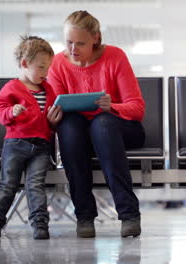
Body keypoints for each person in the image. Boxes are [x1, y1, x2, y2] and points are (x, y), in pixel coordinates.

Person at [47, 10, 145, 238]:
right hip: (81, 136)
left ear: (96, 38)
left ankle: (129, 215)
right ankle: (84, 216)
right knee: (69, 125)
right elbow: (58, 109)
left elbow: (137, 109)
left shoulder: (115, 56)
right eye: (69, 42)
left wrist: (112, 107)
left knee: (102, 124)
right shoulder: (58, 64)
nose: (73, 49)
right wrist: (53, 121)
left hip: (119, 129)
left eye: (80, 43)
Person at [0, 36, 63, 240]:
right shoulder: (12, 88)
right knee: (8, 184)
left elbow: (51, 118)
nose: (45, 73)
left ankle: (40, 225)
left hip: (42, 146)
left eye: (48, 68)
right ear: (25, 64)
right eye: (41, 67)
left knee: (36, 185)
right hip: (15, 144)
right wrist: (11, 112)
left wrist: (54, 122)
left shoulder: (49, 89)